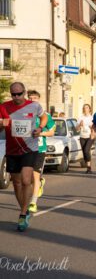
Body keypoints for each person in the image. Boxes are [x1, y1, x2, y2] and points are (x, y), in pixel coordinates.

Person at [0, 82, 48, 231]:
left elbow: (44, 118)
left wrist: (40, 128)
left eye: (19, 94)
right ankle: (25, 209)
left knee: (26, 180)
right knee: (16, 183)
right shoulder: (3, 107)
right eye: (13, 94)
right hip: (12, 149)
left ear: (24, 92)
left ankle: (22, 214)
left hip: (30, 148)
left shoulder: (34, 106)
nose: (16, 97)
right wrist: (2, 124)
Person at [26, 91, 56, 214]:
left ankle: (33, 202)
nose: (33, 100)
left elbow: (52, 132)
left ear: (39, 100)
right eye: (30, 98)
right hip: (26, 148)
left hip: (39, 148)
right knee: (27, 177)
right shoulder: (24, 113)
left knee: (34, 175)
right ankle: (41, 182)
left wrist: (40, 133)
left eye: (35, 98)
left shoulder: (45, 115)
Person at [76, 104, 95, 173]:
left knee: (87, 150)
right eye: (84, 108)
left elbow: (95, 127)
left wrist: (92, 129)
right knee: (84, 152)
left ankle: (89, 167)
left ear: (89, 109)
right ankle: (88, 167)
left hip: (90, 136)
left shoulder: (92, 118)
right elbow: (77, 129)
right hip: (82, 136)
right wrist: (79, 125)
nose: (85, 109)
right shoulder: (80, 117)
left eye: (87, 108)